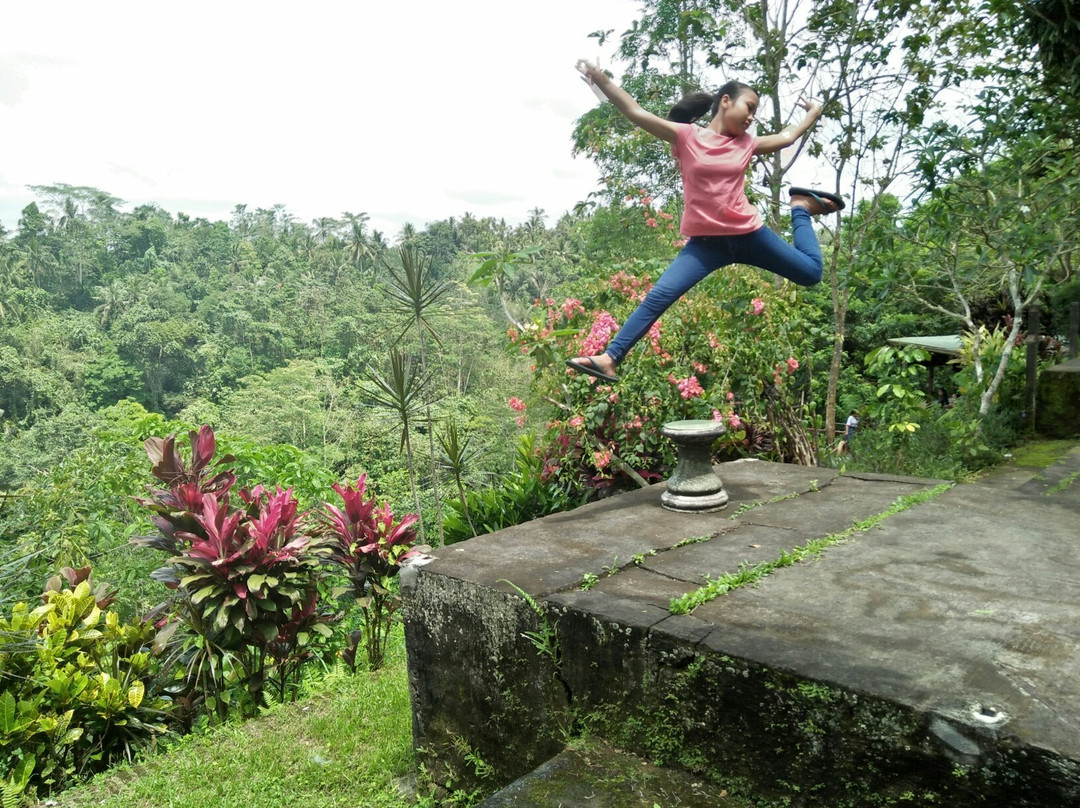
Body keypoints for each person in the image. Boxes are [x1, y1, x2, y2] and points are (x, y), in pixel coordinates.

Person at [566, 60, 843, 384]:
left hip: (749, 235)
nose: (752, 116)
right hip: (706, 245)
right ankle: (610, 358)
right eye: (749, 107)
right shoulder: (687, 137)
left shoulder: (746, 144)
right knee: (658, 296)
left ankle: (800, 208)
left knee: (811, 273)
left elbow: (787, 136)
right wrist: (600, 79)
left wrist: (813, 112)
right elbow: (636, 113)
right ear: (726, 101)